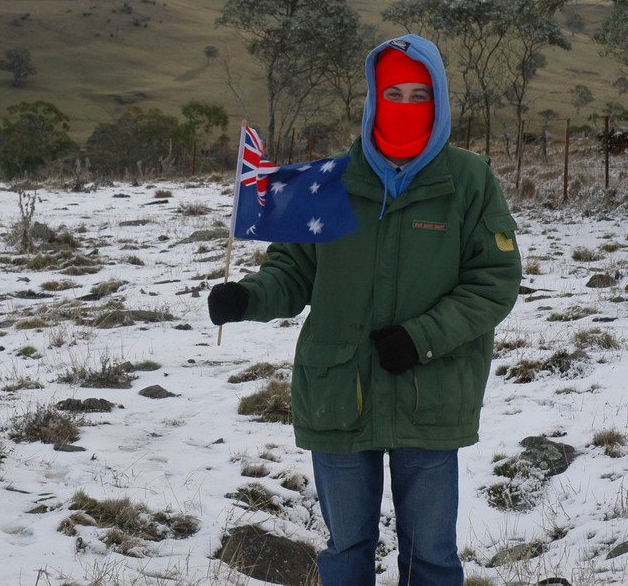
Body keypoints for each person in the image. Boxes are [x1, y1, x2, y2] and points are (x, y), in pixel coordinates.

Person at [208, 33, 522, 586]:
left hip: (432, 391)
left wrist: (420, 336)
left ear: (439, 99)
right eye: (392, 93)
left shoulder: (468, 180)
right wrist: (248, 298)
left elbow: (494, 282)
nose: (405, 107)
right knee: (345, 550)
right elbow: (292, 274)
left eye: (418, 94)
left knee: (433, 556)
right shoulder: (327, 182)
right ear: (374, 99)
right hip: (337, 392)